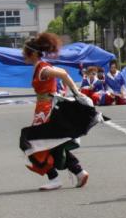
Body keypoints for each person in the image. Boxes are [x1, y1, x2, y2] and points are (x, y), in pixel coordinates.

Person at [18, 32, 95, 191]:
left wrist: (76, 92)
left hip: (47, 109)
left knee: (30, 142)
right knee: (53, 144)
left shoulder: (43, 68)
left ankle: (54, 178)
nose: (22, 54)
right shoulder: (40, 67)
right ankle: (79, 172)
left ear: (32, 53)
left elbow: (63, 74)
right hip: (43, 108)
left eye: (24, 52)